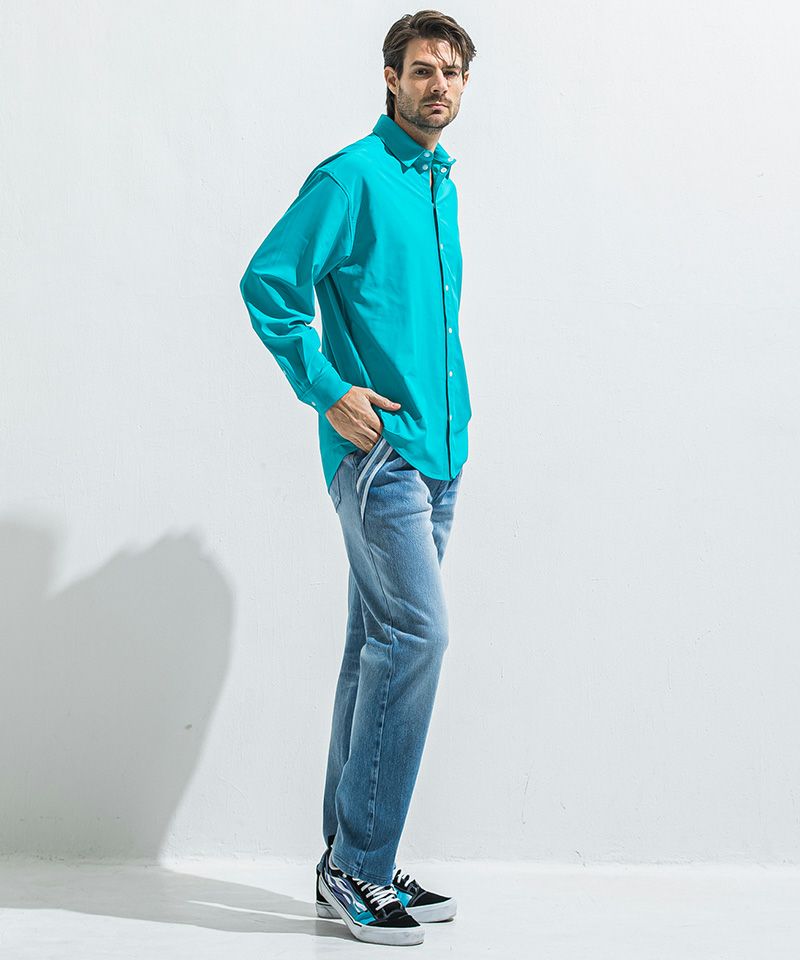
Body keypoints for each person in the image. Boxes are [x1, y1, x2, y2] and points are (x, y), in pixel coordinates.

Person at [239, 10, 477, 947]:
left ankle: (350, 857)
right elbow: (268, 283)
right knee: (419, 637)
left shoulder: (439, 186)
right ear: (390, 77)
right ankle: (360, 867)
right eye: (421, 69)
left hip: (439, 458)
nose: (437, 84)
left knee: (377, 643)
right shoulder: (351, 176)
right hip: (378, 458)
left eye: (451, 71)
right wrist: (328, 388)